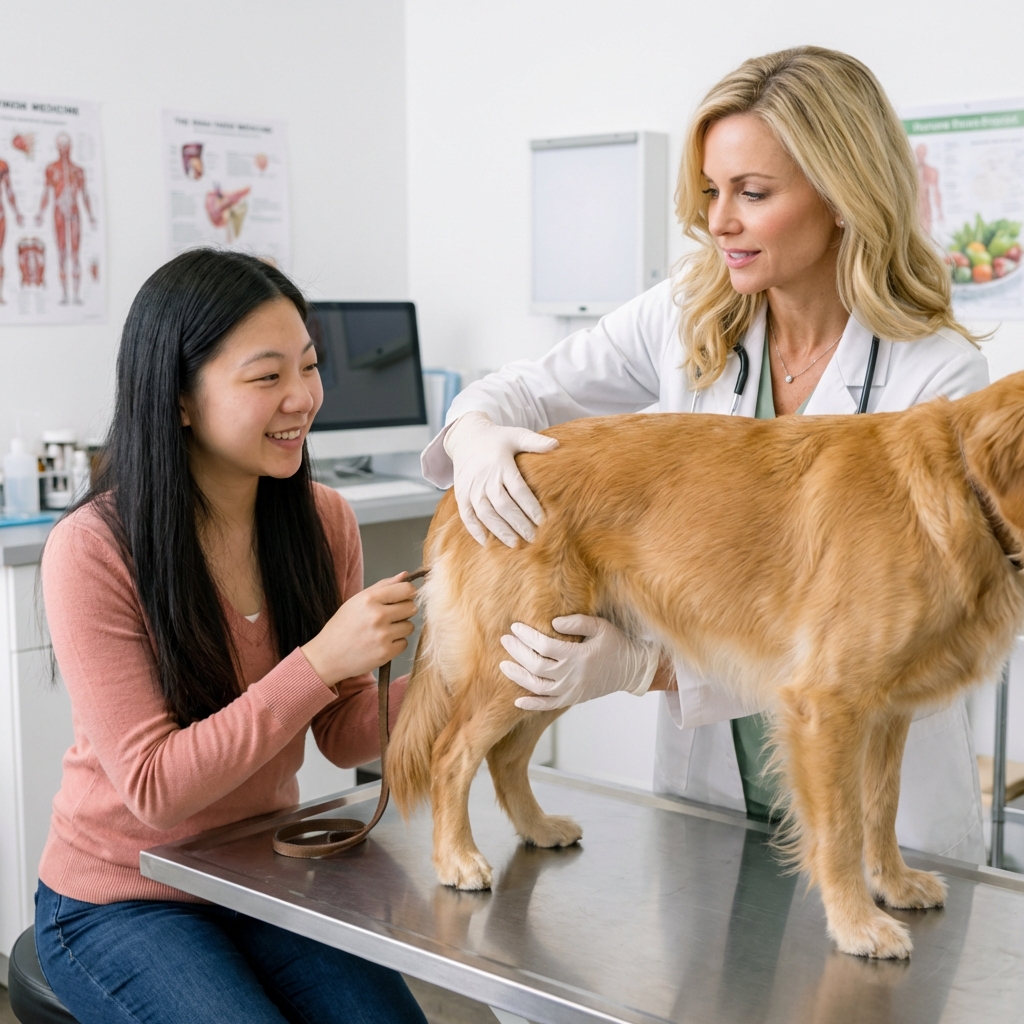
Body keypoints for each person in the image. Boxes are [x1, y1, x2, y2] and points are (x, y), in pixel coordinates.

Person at [421, 46, 988, 863]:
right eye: (713, 191)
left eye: (752, 194)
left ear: (841, 195)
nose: (717, 220)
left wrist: (646, 667)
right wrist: (472, 431)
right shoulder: (691, 311)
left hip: (880, 811)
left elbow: (886, 635)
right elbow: (526, 390)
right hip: (713, 797)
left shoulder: (935, 375)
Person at [36, 249, 427, 1024]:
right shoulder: (93, 548)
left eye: (309, 367)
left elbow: (345, 736)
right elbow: (155, 788)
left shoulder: (323, 519)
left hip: (257, 875)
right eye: (266, 376)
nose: (303, 399)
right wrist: (319, 660)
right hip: (119, 897)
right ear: (180, 398)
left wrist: (481, 679)